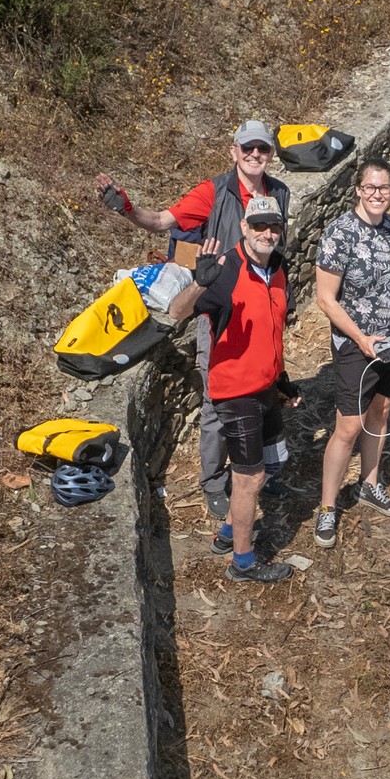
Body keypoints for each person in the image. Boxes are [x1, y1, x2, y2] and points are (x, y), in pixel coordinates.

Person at [95, 121, 291, 532]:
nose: (256, 155)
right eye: (248, 148)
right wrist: (127, 208)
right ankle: (214, 481)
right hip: (218, 310)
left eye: (264, 149)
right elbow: (162, 221)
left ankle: (255, 471)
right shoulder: (213, 192)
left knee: (265, 388)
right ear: (233, 151)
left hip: (262, 301)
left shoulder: (279, 194)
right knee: (217, 400)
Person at [158, 194, 298, 583]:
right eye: (259, 226)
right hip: (234, 392)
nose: (267, 234)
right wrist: (198, 284)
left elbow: (273, 331)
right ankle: (243, 562)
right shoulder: (226, 271)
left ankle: (227, 532)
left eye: (274, 227)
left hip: (266, 387)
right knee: (249, 477)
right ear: (244, 229)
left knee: (274, 463)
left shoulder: (279, 268)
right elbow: (177, 312)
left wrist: (282, 380)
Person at [308, 162, 390, 551]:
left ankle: (369, 484)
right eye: (370, 188)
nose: (376, 194)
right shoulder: (340, 233)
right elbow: (325, 298)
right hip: (356, 346)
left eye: (383, 188)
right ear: (358, 189)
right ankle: (327, 506)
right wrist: (361, 337)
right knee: (348, 428)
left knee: (382, 413)